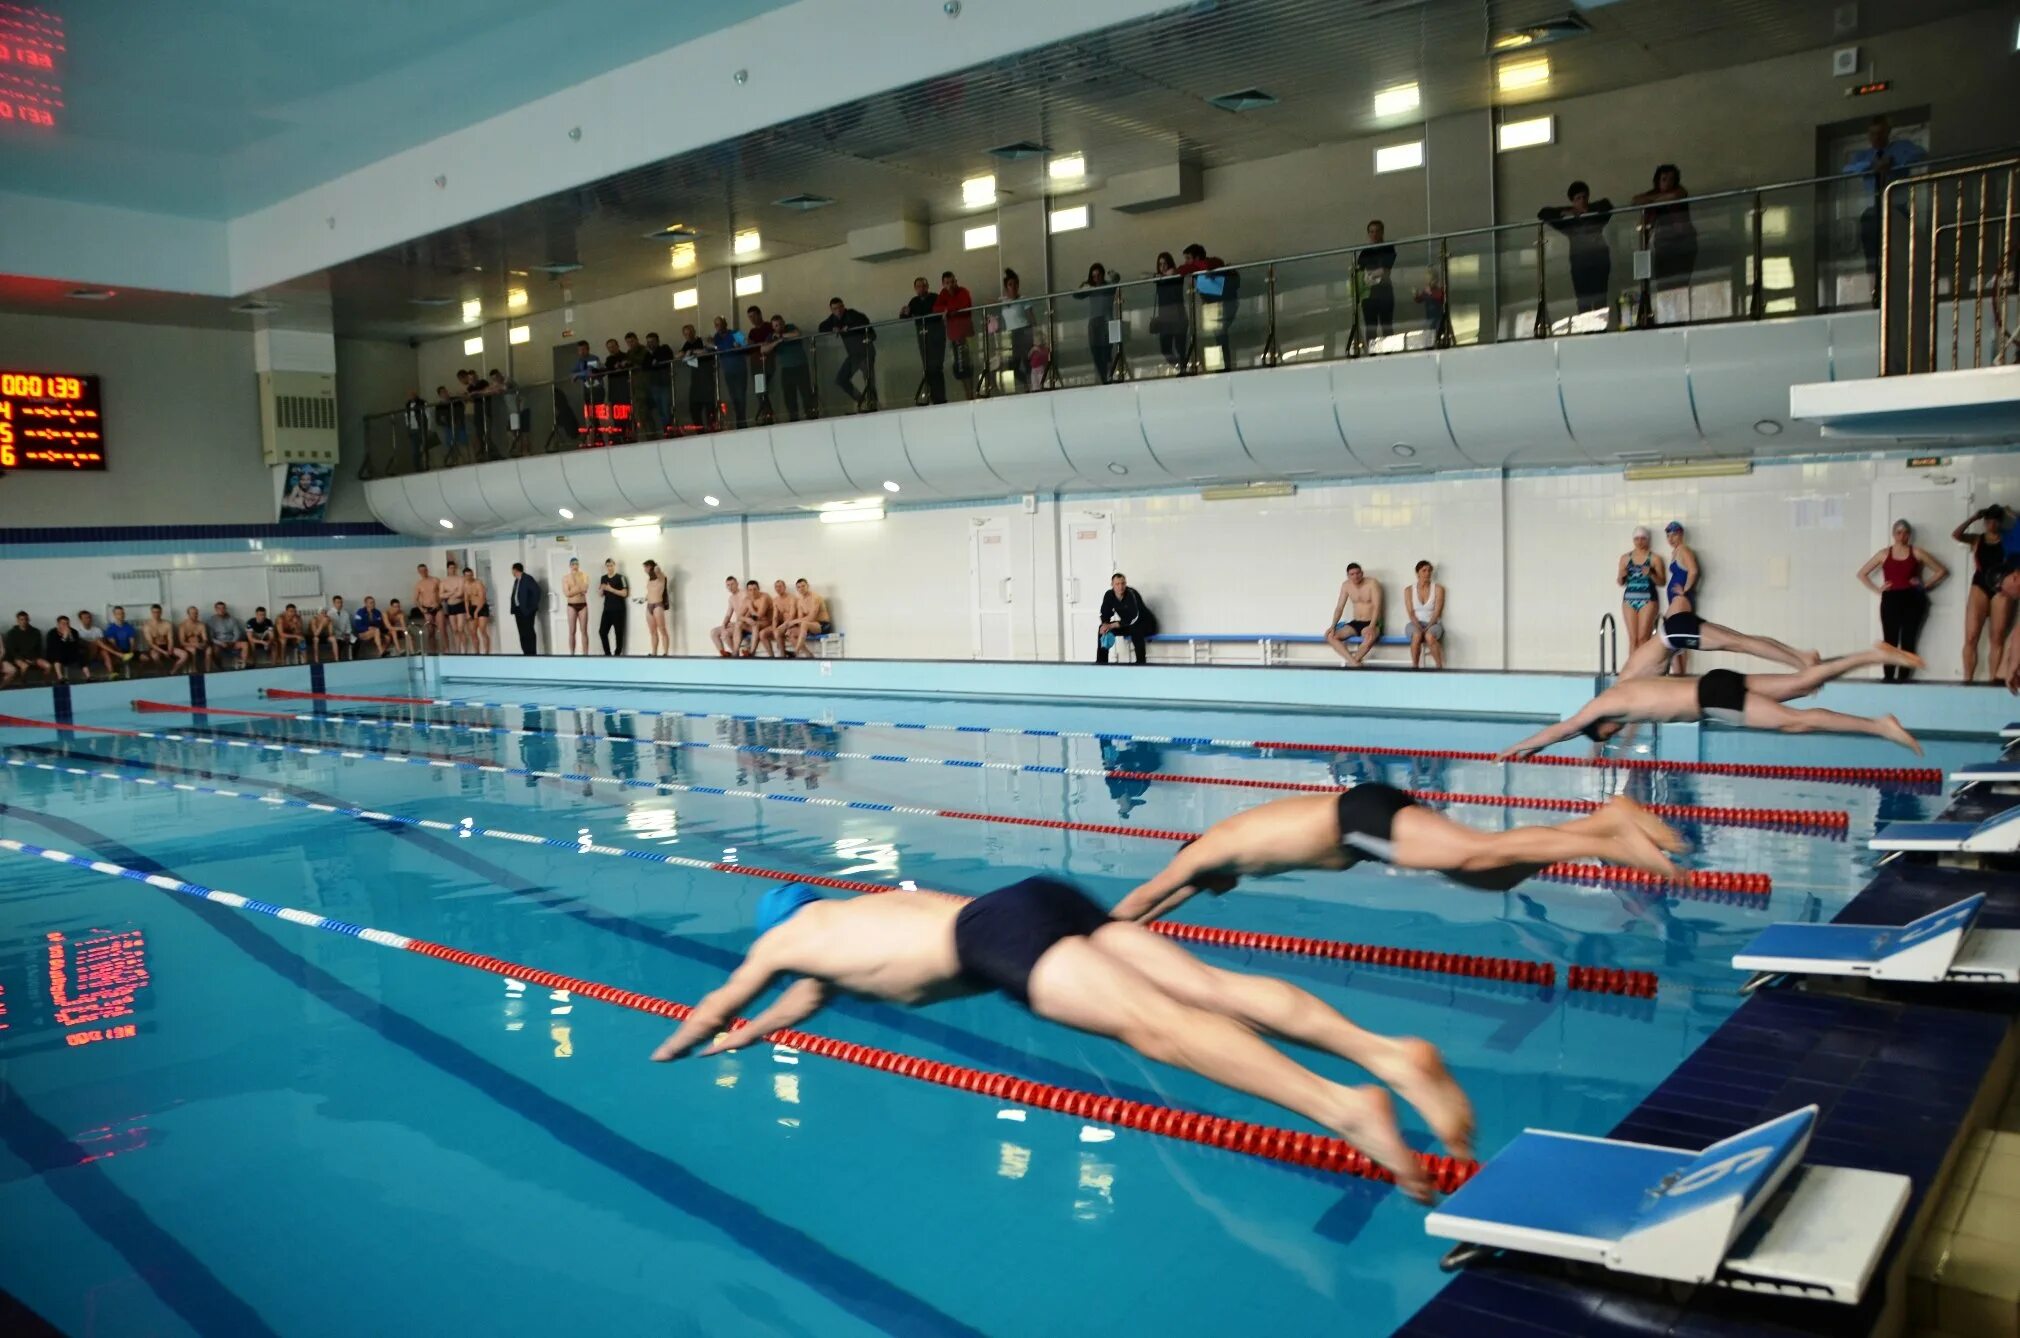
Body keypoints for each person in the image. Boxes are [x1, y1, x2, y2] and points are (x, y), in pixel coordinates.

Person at [651, 878, 1474, 1203]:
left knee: (1161, 1031)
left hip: (993, 944)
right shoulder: (850, 921)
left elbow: (728, 994)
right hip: (1030, 900)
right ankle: (1387, 1054)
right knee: (1212, 990)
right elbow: (797, 1004)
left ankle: (1344, 1107)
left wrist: (683, 1042)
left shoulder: (781, 947)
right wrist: (752, 1036)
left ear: (777, 931)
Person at [1115, 790, 1686, 922]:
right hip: (1364, 827)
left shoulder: (1210, 849)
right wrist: (1134, 931)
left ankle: (1609, 844)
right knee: (1494, 878)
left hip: (1360, 821)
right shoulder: (1225, 861)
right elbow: (1169, 902)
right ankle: (1606, 822)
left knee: (1484, 853)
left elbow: (1157, 887)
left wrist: (1089, 933)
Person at [1495, 645, 1926, 759]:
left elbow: (1563, 727)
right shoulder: (1624, 686)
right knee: (1802, 681)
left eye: (1604, 738)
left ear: (1602, 729)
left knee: (1797, 721)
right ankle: (1871, 655)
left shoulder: (1603, 711)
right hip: (1713, 680)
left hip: (1713, 699)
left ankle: (1879, 726)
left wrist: (1521, 747)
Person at [1617, 608, 1816, 683]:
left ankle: (1801, 664)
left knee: (1740, 643)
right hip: (1674, 631)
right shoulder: (1626, 684)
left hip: (1673, 635)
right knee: (1742, 641)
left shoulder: (1624, 689)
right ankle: (1801, 656)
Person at [1845, 116, 1925, 301]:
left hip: (1897, 209)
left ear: (1888, 132)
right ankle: (1875, 293)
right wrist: (1871, 165)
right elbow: (1847, 169)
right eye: (1873, 134)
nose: (1877, 138)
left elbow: (1920, 155)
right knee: (1873, 256)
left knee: (1900, 255)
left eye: (1880, 133)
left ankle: (1902, 293)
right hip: (1873, 212)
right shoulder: (1864, 156)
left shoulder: (1901, 147)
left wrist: (1894, 162)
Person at [1857, 519, 1947, 682]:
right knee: (1890, 640)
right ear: (1893, 534)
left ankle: (1904, 679)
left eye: (1905, 532)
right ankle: (1889, 677)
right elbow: (1862, 573)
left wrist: (1923, 585)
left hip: (1913, 599)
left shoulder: (1917, 552)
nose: (1902, 535)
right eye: (1899, 532)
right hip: (1891, 598)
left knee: (1908, 640)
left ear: (1909, 535)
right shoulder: (1884, 554)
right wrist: (1878, 589)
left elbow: (1941, 571)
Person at [1538, 181, 1615, 318]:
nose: (1582, 201)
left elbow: (1607, 205)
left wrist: (1586, 211)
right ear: (1573, 202)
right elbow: (1543, 213)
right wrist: (1570, 212)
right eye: (1578, 198)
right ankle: (1586, 330)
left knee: (1600, 298)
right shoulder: (1569, 220)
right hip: (1580, 263)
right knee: (1583, 300)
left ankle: (1601, 330)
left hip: (1599, 261)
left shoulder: (1596, 213)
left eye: (1584, 197)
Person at [1632, 164, 1697, 316]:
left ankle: (1680, 318)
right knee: (1663, 285)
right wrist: (1652, 200)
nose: (1667, 183)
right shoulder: (1653, 196)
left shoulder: (1679, 191)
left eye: (1671, 180)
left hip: (1683, 245)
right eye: (1664, 179)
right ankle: (1667, 317)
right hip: (1663, 246)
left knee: (1680, 285)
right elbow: (1635, 201)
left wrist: (1650, 200)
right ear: (1657, 181)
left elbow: (1674, 196)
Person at [1956, 506, 2011, 681]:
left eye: (1994, 521)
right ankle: (1967, 680)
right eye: (1987, 521)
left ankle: (1993, 681)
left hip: (2001, 588)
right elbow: (1956, 535)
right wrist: (1973, 518)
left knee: (1997, 638)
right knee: (1971, 637)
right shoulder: (1977, 540)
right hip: (1979, 585)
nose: (1991, 525)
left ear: (2000, 522)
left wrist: (2013, 516)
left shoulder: (2008, 540)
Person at [1176, 243, 1234, 368]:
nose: (1186, 262)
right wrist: (1193, 268)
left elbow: (1210, 265)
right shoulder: (1195, 267)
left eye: (1188, 258)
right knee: (1218, 335)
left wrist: (1194, 267)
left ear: (1196, 258)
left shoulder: (1213, 262)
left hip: (1225, 303)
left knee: (1221, 334)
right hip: (1211, 306)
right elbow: (1181, 270)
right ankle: (1223, 364)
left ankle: (1227, 364)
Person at [819, 298, 876, 411]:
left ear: (844, 306)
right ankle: (863, 401)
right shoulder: (833, 319)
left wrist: (849, 326)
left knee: (868, 380)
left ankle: (873, 405)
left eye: (840, 307)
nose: (838, 311)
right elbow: (821, 327)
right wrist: (832, 328)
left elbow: (864, 321)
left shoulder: (852, 314)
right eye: (835, 309)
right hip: (853, 355)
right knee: (841, 379)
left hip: (865, 351)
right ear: (831, 310)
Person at [900, 276, 948, 405]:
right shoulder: (914, 301)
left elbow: (940, 311)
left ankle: (940, 397)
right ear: (915, 288)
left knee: (936, 366)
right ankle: (931, 395)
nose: (921, 288)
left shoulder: (934, 298)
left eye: (923, 286)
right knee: (927, 366)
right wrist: (904, 312)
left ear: (927, 286)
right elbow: (905, 316)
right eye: (918, 286)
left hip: (936, 334)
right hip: (922, 335)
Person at [1325, 563, 1384, 667]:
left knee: (1369, 636)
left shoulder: (1372, 583)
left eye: (1357, 573)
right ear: (1348, 576)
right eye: (1352, 574)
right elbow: (1339, 607)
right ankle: (1354, 663)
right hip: (1356, 622)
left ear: (1362, 573)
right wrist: (1333, 626)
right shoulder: (1346, 585)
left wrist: (1372, 626)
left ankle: (1353, 662)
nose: (1355, 576)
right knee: (1331, 635)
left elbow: (1377, 606)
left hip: (1371, 622)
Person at [1662, 520, 1701, 671]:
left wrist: (1685, 590)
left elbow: (1694, 570)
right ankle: (1679, 674)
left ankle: (1679, 674)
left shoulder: (1684, 550)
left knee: (1673, 634)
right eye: (1668, 536)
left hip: (1681, 600)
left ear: (1681, 534)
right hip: (1677, 599)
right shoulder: (1676, 551)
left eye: (1674, 535)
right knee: (1676, 634)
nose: (1671, 539)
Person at [1617, 527, 1661, 652]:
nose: (1640, 541)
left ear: (1647, 540)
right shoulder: (1625, 558)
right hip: (1629, 600)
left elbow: (1662, 581)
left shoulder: (1654, 558)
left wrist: (1651, 574)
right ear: (1633, 540)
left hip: (1648, 600)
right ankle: (1632, 670)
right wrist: (1621, 576)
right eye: (1637, 539)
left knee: (1643, 638)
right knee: (1633, 639)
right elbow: (1621, 582)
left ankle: (1643, 669)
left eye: (1643, 539)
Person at [1096, 572, 1154, 665]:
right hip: (1127, 624)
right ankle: (1101, 663)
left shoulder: (1132, 594)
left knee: (1136, 628)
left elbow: (1134, 618)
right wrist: (1105, 624)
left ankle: (1141, 663)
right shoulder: (1109, 595)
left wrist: (1113, 625)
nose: (1120, 587)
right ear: (1112, 585)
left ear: (1126, 584)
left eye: (1123, 583)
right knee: (1102, 629)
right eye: (1117, 584)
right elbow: (1105, 612)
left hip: (1145, 624)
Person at [765, 315, 815, 422]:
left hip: (801, 366)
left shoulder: (790, 327)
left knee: (806, 392)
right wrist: (776, 342)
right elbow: (763, 349)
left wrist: (782, 336)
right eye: (776, 325)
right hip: (786, 369)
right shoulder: (772, 336)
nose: (779, 326)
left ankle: (810, 414)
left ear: (784, 322)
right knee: (789, 396)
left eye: (780, 324)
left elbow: (797, 334)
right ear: (773, 327)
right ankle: (794, 418)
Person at [1075, 264, 1118, 384]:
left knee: (1106, 352)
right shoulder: (1091, 288)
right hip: (1094, 323)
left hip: (1106, 321)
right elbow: (1076, 295)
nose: (1096, 278)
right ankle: (1104, 378)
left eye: (1099, 275)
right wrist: (1084, 286)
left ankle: (1110, 377)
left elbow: (1116, 280)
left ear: (1102, 275)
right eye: (1094, 276)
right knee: (1096, 353)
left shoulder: (1109, 286)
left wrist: (1113, 274)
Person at [1356, 221, 1398, 343]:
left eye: (1377, 231)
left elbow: (1385, 271)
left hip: (1384, 293)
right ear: (1368, 234)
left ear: (1382, 232)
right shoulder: (1365, 253)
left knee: (1387, 326)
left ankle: (1389, 355)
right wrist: (1374, 274)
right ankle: (1372, 355)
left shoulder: (1388, 248)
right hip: (1369, 295)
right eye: (1371, 231)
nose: (1374, 234)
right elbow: (1360, 274)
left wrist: (1370, 274)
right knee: (1370, 328)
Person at [934, 272, 974, 395]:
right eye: (947, 283)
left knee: (968, 364)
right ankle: (968, 393)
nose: (950, 285)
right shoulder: (943, 294)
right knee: (960, 366)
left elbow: (964, 305)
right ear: (943, 284)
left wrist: (948, 309)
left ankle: (972, 393)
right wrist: (947, 309)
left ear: (956, 281)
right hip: (954, 336)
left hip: (965, 334)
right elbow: (936, 308)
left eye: (952, 282)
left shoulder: (963, 291)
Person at [998, 269, 1035, 393]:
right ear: (1006, 287)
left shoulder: (1023, 299)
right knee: (1013, 367)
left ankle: (1030, 387)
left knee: (1027, 362)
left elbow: (1031, 316)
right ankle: (1027, 383)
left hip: (1024, 332)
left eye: (1015, 284)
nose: (1013, 287)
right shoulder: (1004, 301)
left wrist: (1036, 332)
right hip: (1012, 335)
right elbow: (990, 302)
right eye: (1010, 285)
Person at [709, 317, 749, 429]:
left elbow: (746, 344)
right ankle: (739, 422)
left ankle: (742, 422)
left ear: (725, 324)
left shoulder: (735, 333)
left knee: (741, 396)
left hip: (740, 369)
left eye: (720, 324)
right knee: (734, 397)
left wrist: (738, 346)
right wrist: (711, 344)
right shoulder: (716, 338)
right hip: (728, 371)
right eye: (716, 325)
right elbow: (711, 349)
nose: (719, 327)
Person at [1405, 561, 1445, 669]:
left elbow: (1437, 612)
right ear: (1417, 573)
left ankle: (1439, 667)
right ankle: (1415, 667)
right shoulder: (1408, 590)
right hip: (1415, 623)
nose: (1427, 573)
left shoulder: (1438, 589)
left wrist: (1427, 627)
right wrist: (1419, 627)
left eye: (1429, 571)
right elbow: (1411, 613)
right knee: (1417, 635)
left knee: (1429, 636)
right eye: (1424, 570)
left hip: (1432, 623)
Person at [1151, 251, 1186, 369]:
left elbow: (1177, 273)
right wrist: (1160, 276)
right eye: (1160, 264)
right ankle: (1179, 366)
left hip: (1178, 316)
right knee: (1165, 349)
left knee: (1180, 346)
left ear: (1170, 264)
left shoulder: (1176, 277)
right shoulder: (1160, 279)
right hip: (1164, 319)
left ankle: (1183, 368)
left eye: (1165, 264)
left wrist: (1170, 274)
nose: (1163, 267)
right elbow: (1143, 276)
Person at [678, 324, 714, 430]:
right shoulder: (687, 345)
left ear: (694, 331)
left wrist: (693, 352)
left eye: (689, 333)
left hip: (706, 376)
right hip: (696, 379)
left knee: (709, 405)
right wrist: (685, 353)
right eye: (685, 334)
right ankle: (700, 430)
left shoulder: (701, 341)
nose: (688, 336)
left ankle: (711, 427)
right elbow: (678, 355)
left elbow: (708, 350)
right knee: (694, 407)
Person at [784, 577, 831, 657]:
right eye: (799, 587)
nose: (801, 588)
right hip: (809, 626)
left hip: (823, 625)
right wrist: (791, 626)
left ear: (807, 586)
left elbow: (811, 617)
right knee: (790, 633)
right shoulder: (800, 601)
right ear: (797, 589)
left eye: (803, 586)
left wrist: (793, 622)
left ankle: (796, 652)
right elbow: (800, 618)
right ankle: (809, 655)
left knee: (804, 624)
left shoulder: (815, 598)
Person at [2, 611, 51, 686]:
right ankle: (22, 684)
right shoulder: (12, 633)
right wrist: (24, 659)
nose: (24, 621)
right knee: (25, 666)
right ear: (18, 621)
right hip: (18, 657)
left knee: (48, 666)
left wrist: (34, 659)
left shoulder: (35, 632)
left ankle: (44, 684)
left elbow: (39, 648)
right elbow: (11, 650)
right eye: (21, 619)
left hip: (33, 657)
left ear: (28, 620)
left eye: (25, 619)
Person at [644, 331, 676, 437]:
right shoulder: (648, 354)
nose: (650, 344)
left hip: (664, 383)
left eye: (652, 341)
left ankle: (669, 429)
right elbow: (645, 365)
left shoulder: (664, 349)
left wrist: (655, 360)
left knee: (666, 408)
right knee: (660, 410)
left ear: (657, 341)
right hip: (654, 385)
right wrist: (652, 359)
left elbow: (665, 358)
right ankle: (665, 430)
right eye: (648, 342)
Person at [710, 575, 748, 656]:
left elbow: (748, 612)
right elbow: (728, 614)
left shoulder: (744, 594)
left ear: (737, 584)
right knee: (713, 632)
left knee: (725, 634)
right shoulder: (731, 598)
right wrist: (724, 625)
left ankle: (735, 654)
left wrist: (737, 622)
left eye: (732, 584)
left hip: (744, 624)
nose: (730, 587)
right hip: (736, 622)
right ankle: (723, 653)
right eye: (728, 585)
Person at [507, 562, 540, 656]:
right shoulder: (517, 581)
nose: (512, 572)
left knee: (529, 632)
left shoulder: (528, 579)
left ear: (515, 570)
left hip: (527, 611)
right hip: (518, 610)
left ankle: (532, 653)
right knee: (522, 632)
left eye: (512, 570)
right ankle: (525, 652)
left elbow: (536, 592)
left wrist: (531, 608)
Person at [598, 558, 628, 656]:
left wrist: (611, 589)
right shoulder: (603, 578)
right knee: (602, 632)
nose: (609, 567)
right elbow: (601, 594)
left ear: (614, 566)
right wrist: (602, 590)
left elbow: (625, 593)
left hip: (618, 609)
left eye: (611, 565)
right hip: (607, 610)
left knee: (618, 633)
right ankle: (607, 654)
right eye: (608, 566)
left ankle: (617, 654)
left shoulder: (621, 577)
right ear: (605, 567)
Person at [99, 606, 140, 677]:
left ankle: (139, 676)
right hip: (117, 651)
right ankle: (115, 673)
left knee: (144, 658)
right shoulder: (110, 629)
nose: (121, 615)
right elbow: (113, 644)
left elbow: (132, 643)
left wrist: (131, 653)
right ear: (114, 615)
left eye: (122, 613)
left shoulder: (129, 627)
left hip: (127, 651)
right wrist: (120, 654)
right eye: (118, 614)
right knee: (113, 657)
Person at [139, 604, 180, 673]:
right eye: (154, 612)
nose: (156, 614)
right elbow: (151, 644)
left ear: (161, 612)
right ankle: (162, 672)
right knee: (155, 657)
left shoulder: (167, 624)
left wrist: (170, 649)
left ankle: (173, 672)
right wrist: (164, 652)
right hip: (156, 648)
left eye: (158, 612)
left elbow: (170, 639)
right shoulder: (147, 626)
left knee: (184, 655)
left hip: (167, 646)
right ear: (151, 613)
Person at [412, 563, 442, 653]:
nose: (423, 572)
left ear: (427, 570)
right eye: (421, 571)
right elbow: (415, 599)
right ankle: (432, 651)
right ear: (418, 572)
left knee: (442, 629)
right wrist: (421, 609)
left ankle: (445, 651)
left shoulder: (435, 580)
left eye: (425, 570)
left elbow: (442, 593)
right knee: (430, 631)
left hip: (437, 607)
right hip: (427, 609)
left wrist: (439, 602)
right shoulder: (419, 584)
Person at [642, 560, 670, 656]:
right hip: (649, 605)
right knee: (652, 631)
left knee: (662, 629)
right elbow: (650, 593)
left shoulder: (661, 577)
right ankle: (654, 653)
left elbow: (657, 569)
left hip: (658, 605)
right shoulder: (649, 580)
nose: (644, 569)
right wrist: (643, 599)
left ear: (650, 566)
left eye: (645, 567)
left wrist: (654, 567)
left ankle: (665, 653)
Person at [73, 609, 111, 680]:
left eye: (89, 617)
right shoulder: (78, 632)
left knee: (104, 652)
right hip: (87, 655)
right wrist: (94, 643)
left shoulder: (97, 630)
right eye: (85, 618)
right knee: (96, 642)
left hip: (98, 653)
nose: (88, 619)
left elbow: (103, 642)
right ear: (81, 620)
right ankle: (118, 654)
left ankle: (111, 673)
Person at [44, 615, 84, 682]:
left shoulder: (74, 632)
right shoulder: (52, 633)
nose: (66, 625)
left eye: (68, 623)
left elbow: (75, 646)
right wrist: (64, 638)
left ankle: (88, 676)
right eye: (63, 623)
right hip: (55, 654)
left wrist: (71, 637)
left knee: (82, 655)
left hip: (69, 653)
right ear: (58, 624)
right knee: (57, 656)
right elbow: (55, 647)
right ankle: (60, 677)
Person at [738, 579, 772, 657]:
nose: (752, 592)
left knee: (755, 625)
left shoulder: (764, 597)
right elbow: (739, 616)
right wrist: (746, 619)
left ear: (758, 589)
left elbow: (759, 616)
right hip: (756, 623)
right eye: (750, 590)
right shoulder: (747, 599)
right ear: (747, 591)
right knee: (738, 624)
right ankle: (735, 651)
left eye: (755, 589)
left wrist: (750, 607)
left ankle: (751, 652)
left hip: (767, 622)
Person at [460, 569, 491, 655]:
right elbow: (466, 600)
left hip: (482, 607)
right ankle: (477, 653)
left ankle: (487, 653)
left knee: (482, 630)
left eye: (471, 575)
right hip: (472, 607)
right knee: (473, 632)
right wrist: (467, 612)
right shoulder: (465, 585)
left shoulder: (478, 584)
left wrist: (477, 611)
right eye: (467, 575)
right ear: (464, 576)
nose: (469, 577)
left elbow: (482, 599)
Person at [1411, 270, 1447, 342]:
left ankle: (1437, 341)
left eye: (1431, 280)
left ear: (1436, 280)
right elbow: (1420, 299)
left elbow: (1439, 297)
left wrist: (1430, 293)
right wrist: (1415, 295)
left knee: (1437, 332)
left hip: (1438, 317)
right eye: (1427, 280)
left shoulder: (1439, 290)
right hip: (1429, 318)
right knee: (1429, 333)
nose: (1429, 282)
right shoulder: (1426, 291)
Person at [440, 560, 466, 654]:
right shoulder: (444, 581)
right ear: (447, 569)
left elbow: (460, 593)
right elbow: (441, 595)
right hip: (450, 606)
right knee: (454, 630)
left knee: (460, 629)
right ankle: (458, 650)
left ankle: (465, 651)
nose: (453, 569)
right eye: (451, 568)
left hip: (460, 605)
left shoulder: (460, 579)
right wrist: (452, 592)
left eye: (454, 568)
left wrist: (448, 594)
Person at [401, 391, 430, 472]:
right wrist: (408, 427)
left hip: (421, 427)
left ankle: (425, 464)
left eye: (412, 395)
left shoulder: (422, 402)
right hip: (413, 429)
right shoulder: (407, 405)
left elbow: (428, 415)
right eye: (409, 395)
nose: (411, 396)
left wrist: (429, 427)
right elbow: (406, 417)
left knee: (424, 447)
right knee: (415, 450)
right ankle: (417, 467)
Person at [176, 606, 210, 673]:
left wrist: (203, 644)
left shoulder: (201, 625)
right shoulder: (183, 626)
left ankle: (208, 672)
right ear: (188, 614)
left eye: (196, 613)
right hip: (187, 645)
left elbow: (205, 639)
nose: (195, 615)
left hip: (199, 644)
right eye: (193, 613)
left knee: (209, 650)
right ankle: (195, 671)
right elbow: (182, 642)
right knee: (193, 650)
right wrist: (194, 644)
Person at [325, 595, 356, 661]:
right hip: (335, 635)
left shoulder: (345, 613)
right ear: (334, 603)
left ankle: (353, 658)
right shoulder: (329, 613)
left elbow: (348, 625)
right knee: (338, 642)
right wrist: (340, 634)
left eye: (341, 602)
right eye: (338, 602)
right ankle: (338, 660)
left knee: (356, 641)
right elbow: (330, 628)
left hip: (345, 634)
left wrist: (347, 633)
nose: (340, 604)